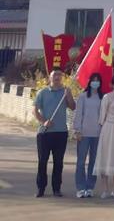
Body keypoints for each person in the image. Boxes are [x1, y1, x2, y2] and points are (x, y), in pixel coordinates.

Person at [33, 68, 76, 198]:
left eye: (59, 75)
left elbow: (73, 107)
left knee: (58, 162)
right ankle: (41, 188)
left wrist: (69, 95)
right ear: (50, 77)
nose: (57, 77)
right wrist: (44, 121)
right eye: (54, 75)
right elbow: (34, 110)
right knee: (43, 161)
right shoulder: (43, 92)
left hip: (61, 132)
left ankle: (56, 188)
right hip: (44, 133)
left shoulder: (65, 92)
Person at [73, 72, 103, 198]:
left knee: (94, 162)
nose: (95, 82)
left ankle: (90, 187)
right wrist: (77, 130)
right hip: (84, 133)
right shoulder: (83, 97)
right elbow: (78, 114)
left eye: (97, 80)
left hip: (97, 134)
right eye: (93, 80)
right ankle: (80, 187)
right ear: (89, 82)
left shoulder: (103, 98)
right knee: (81, 161)